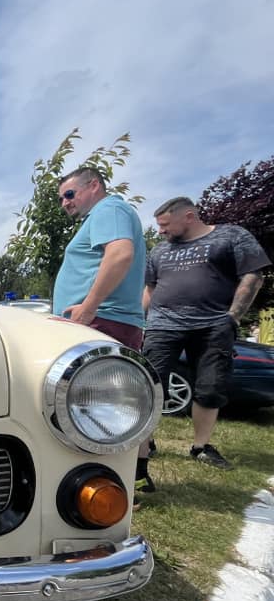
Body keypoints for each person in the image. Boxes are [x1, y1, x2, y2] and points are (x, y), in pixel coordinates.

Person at [142, 197, 270, 469]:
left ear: (189, 216)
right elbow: (150, 288)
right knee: (149, 385)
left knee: (210, 387)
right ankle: (145, 443)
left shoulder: (231, 236)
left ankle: (200, 447)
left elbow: (253, 276)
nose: (161, 231)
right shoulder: (160, 250)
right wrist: (142, 319)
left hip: (213, 325)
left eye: (165, 225)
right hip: (162, 325)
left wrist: (233, 317)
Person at [51, 167, 151, 495]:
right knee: (114, 406)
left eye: (69, 194)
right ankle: (131, 477)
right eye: (61, 198)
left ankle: (109, 484)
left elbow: (120, 254)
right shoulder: (105, 214)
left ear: (94, 185)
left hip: (101, 321)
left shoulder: (110, 209)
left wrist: (89, 307)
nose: (65, 203)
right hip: (102, 320)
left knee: (98, 411)